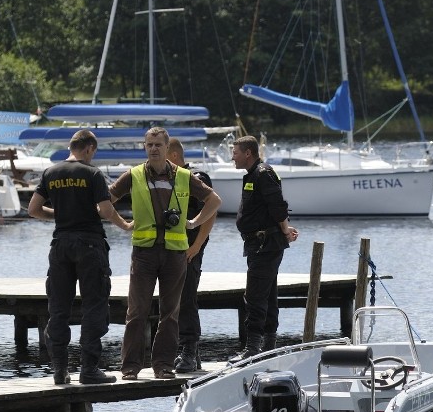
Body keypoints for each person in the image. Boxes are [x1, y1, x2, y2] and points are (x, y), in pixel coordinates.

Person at [109, 126, 221, 380]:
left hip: (174, 253)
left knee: (171, 313)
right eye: (149, 145)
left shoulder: (183, 176)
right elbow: (105, 203)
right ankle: (130, 367)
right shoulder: (134, 175)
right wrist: (123, 224)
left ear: (167, 148)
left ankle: (163, 365)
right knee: (137, 311)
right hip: (144, 252)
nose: (153, 149)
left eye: (158, 145)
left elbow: (215, 201)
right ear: (144, 147)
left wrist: (193, 222)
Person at [27, 129, 133, 385]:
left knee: (59, 309)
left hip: (61, 244)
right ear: (88, 149)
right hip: (89, 245)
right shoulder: (92, 173)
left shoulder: (51, 172)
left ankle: (60, 371)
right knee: (94, 307)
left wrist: (62, 213)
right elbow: (106, 211)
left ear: (71, 147)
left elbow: (33, 209)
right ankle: (88, 370)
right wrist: (125, 226)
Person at [229, 135, 298, 362]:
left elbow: (278, 206)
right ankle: (268, 346)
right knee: (267, 295)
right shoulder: (253, 174)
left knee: (256, 296)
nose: (232, 157)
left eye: (235, 152)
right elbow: (267, 210)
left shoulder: (263, 173)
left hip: (265, 244)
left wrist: (285, 230)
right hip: (258, 244)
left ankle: (252, 348)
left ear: (248, 153)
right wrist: (283, 228)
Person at [168, 138, 216, 373]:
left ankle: (189, 349)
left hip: (189, 249)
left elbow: (212, 211)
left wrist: (197, 246)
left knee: (186, 299)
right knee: (176, 301)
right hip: (172, 249)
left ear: (174, 156)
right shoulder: (170, 179)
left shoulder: (195, 178)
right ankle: (191, 354)